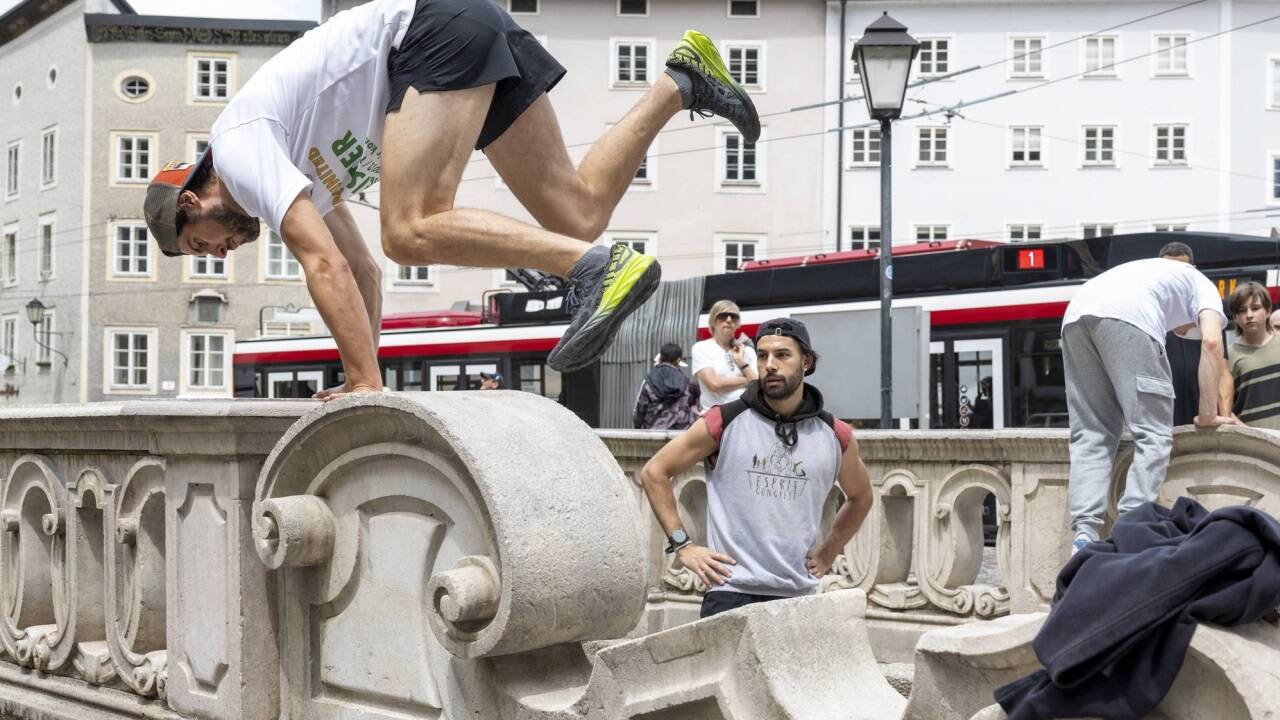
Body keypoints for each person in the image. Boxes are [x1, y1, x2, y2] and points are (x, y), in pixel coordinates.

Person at [142, 0, 761, 401]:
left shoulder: (238, 148)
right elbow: (359, 274)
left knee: (410, 225)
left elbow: (322, 266)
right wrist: (369, 380)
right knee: (578, 212)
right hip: (458, 33)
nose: (220, 254)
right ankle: (682, 81)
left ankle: (596, 268)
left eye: (203, 244)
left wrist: (362, 381)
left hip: (429, 35)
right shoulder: (290, 159)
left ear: (194, 199)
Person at [639, 318, 875, 618]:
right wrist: (683, 546)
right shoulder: (723, 421)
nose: (770, 365)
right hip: (729, 593)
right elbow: (654, 472)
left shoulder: (835, 435)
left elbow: (862, 497)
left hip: (797, 597)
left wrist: (828, 552)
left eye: (782, 355)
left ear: (807, 361)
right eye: (762, 356)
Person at [1061, 255, 1230, 555]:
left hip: (1075, 313)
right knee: (1153, 433)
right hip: (1129, 315)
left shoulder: (1149, 272)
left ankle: (1084, 534)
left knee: (1092, 432)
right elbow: (1213, 343)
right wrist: (1207, 414)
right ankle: (1129, 528)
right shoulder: (1202, 284)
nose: (1183, 331)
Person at [1158, 242, 1233, 425]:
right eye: (1169, 270)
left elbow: (1222, 372)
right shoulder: (1151, 314)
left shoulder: (1207, 310)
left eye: (1182, 270)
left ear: (1193, 271)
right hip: (1161, 420)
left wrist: (1225, 417)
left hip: (1202, 419)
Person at [1226, 283, 1280, 430]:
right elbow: (1224, 408)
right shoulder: (1227, 357)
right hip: (1252, 446)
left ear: (1268, 311)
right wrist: (1249, 434)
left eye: (1255, 308)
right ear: (1235, 317)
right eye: (1242, 310)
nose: (1249, 315)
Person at [691, 300, 758, 413]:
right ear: (713, 321)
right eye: (723, 316)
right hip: (716, 418)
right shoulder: (701, 348)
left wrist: (742, 363)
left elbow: (757, 386)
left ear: (738, 324)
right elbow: (714, 384)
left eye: (734, 317)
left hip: (747, 416)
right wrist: (747, 380)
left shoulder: (748, 351)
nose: (728, 320)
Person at [633, 343, 700, 430]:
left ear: (660, 358)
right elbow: (694, 410)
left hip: (654, 436)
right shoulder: (687, 383)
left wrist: (637, 426)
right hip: (680, 438)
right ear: (678, 360)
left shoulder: (649, 381)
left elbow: (640, 409)